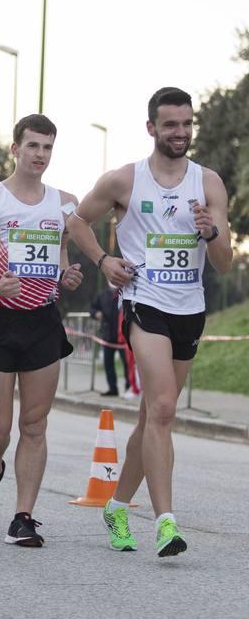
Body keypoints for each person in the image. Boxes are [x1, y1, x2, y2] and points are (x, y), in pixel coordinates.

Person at [66, 87, 232, 557]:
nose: (180, 133)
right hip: (145, 301)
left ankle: (117, 506)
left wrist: (212, 232)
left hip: (190, 306)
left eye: (186, 124)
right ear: (151, 128)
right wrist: (103, 260)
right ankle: (166, 523)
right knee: (162, 408)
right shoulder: (125, 180)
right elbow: (76, 221)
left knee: (151, 417)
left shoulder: (209, 183)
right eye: (170, 124)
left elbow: (222, 263)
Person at [0, 114, 83, 548]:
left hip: (42, 320)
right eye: (32, 146)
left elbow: (61, 252)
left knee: (34, 423)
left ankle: (23, 517)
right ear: (15, 149)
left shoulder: (64, 202)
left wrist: (66, 276)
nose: (40, 155)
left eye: (47, 148)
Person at [90, 285, 130, 396]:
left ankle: (129, 388)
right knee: (108, 364)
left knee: (127, 364)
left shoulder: (126, 293)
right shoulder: (102, 295)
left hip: (123, 338)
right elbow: (92, 309)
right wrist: (96, 313)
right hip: (107, 337)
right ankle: (113, 389)